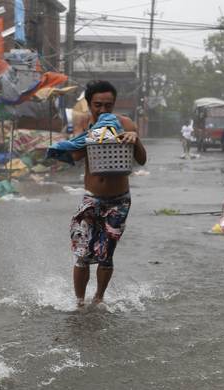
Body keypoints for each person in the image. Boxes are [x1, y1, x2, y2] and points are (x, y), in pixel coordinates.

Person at [69, 80, 147, 307]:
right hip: (91, 197)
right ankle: (79, 302)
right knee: (82, 253)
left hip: (119, 200)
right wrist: (91, 136)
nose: (103, 110)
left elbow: (141, 160)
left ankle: (99, 299)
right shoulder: (83, 124)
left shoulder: (125, 123)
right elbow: (74, 157)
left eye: (108, 105)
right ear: (89, 104)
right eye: (98, 105)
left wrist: (135, 140)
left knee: (106, 253)